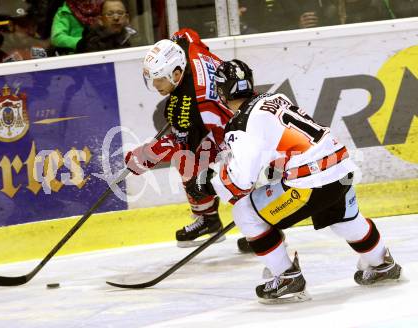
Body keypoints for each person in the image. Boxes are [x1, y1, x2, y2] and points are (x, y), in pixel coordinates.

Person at [186, 59, 403, 303]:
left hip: (310, 182)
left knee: (245, 212)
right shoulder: (275, 98)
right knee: (345, 220)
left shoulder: (241, 123)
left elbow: (240, 181)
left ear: (221, 92)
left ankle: (287, 277)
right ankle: (381, 263)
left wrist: (207, 185)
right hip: (341, 168)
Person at [124, 28, 233, 248]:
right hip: (230, 105)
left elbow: (186, 150)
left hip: (232, 130)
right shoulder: (186, 46)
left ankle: (261, 227)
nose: (155, 86)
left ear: (175, 74)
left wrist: (147, 155)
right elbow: (187, 33)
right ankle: (209, 219)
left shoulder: (194, 107)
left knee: (207, 175)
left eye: (159, 80)